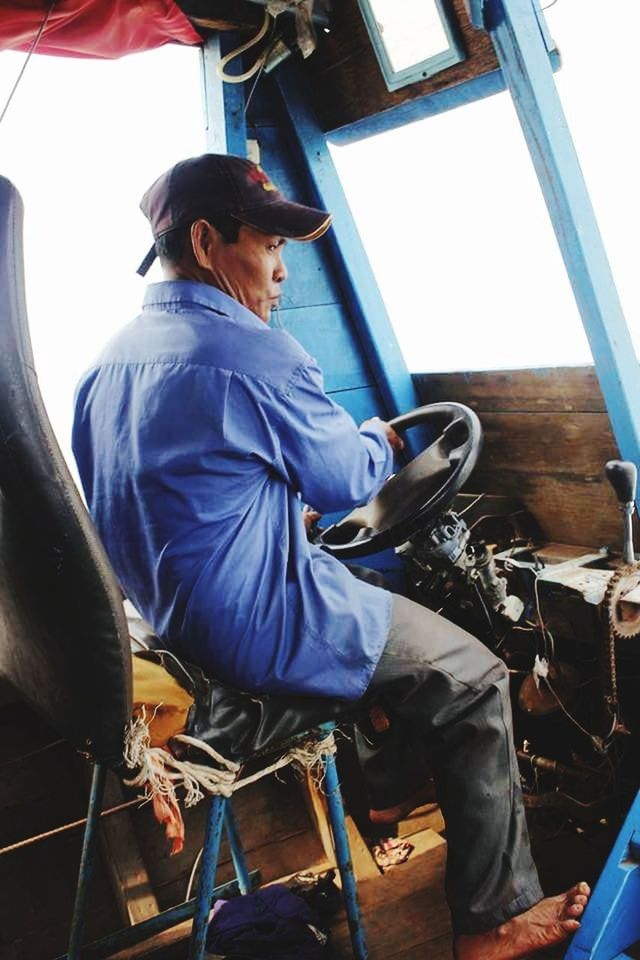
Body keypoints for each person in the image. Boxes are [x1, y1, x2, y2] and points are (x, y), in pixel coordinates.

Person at [72, 153, 590, 960]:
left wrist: (271, 503)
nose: (280, 274)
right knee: (474, 678)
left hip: (177, 628)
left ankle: (383, 809)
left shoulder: (105, 364)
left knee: (390, 633)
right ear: (206, 242)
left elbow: (176, 491)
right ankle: (493, 920)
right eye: (268, 249)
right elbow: (347, 476)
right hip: (263, 626)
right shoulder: (251, 353)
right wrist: (376, 440)